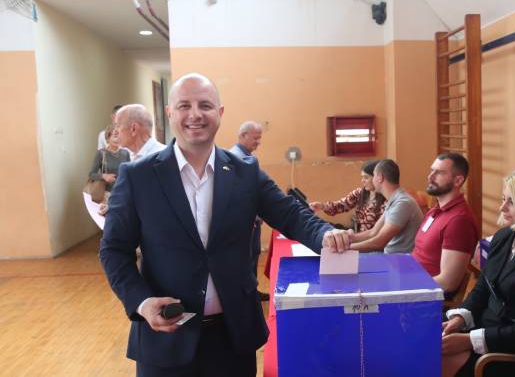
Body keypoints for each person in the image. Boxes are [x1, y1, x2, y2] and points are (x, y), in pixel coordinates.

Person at [99, 73, 352, 376]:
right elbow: (114, 250)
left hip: (232, 339)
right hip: (166, 340)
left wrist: (326, 233)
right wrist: (141, 302)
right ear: (169, 113)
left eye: (205, 105)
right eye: (184, 106)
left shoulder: (245, 172)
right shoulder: (138, 176)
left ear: (219, 113)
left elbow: (290, 214)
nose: (195, 114)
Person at [441, 167, 515, 377]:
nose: (502, 207)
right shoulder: (503, 237)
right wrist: (460, 319)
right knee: (427, 340)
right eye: (503, 199)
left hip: (509, 350)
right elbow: (482, 288)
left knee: (438, 359)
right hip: (483, 330)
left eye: (511, 201)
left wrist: (469, 341)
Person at [412, 153, 479, 298]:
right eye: (432, 171)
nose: (430, 177)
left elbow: (448, 283)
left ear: (458, 180)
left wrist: (403, 284)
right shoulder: (435, 210)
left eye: (439, 173)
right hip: (412, 281)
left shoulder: (459, 221)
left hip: (424, 297)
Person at [229, 121, 269, 302]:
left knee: (253, 255)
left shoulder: (247, 158)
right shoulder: (235, 158)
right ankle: (244, 295)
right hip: (245, 222)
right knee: (245, 258)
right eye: (255, 138)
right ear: (243, 136)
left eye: (260, 138)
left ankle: (252, 292)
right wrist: (248, 217)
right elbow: (236, 195)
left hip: (253, 220)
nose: (258, 142)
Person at [349, 159, 423, 253]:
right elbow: (373, 232)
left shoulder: (402, 203)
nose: (373, 180)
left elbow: (379, 243)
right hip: (390, 255)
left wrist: (346, 248)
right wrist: (348, 238)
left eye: (374, 175)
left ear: (380, 178)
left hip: (399, 259)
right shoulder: (394, 199)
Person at [309, 159, 386, 232]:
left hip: (376, 240)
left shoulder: (386, 200)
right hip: (360, 238)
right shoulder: (360, 193)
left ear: (377, 178)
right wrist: (322, 206)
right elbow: (340, 205)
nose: (362, 181)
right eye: (362, 177)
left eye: (366, 177)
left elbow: (379, 233)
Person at [88, 126, 130, 196]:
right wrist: (104, 176)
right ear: (108, 138)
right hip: (107, 194)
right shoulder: (101, 153)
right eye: (115, 136)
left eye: (119, 136)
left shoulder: (125, 153)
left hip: (123, 193)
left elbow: (129, 174)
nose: (117, 139)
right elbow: (91, 174)